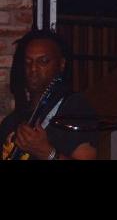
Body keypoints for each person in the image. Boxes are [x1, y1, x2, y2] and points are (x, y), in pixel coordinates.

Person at [0, 29, 98, 160]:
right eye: (28, 62)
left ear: (61, 64)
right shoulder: (12, 121)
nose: (33, 69)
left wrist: (47, 152)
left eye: (43, 61)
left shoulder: (74, 109)